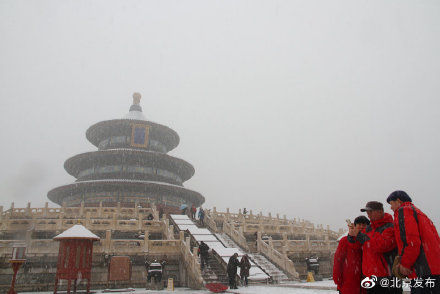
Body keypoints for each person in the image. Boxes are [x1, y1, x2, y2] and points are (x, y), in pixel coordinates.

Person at [387, 190, 440, 293]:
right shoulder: (420, 213)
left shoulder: (404, 211)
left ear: (398, 201)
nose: (391, 207)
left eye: (391, 203)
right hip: (434, 269)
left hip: (422, 270)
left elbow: (411, 241)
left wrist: (405, 264)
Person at [348, 201, 401, 294]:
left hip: (387, 277)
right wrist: (351, 236)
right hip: (370, 277)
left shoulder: (390, 227)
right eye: (367, 212)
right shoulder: (369, 228)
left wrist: (359, 235)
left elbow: (382, 245)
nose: (368, 214)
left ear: (380, 212)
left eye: (371, 211)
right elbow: (356, 246)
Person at [333, 216, 370, 294]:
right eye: (359, 224)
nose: (361, 227)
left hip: (366, 281)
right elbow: (338, 260)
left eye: (364, 225)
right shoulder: (344, 241)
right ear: (355, 226)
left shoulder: (370, 240)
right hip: (348, 281)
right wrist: (337, 278)